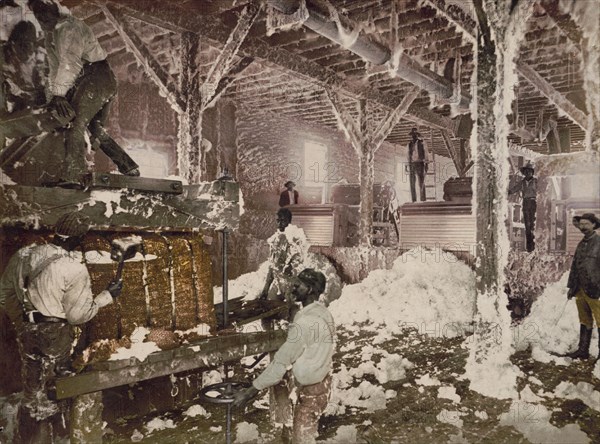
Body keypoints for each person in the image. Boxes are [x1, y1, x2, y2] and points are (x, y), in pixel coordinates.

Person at [0, 212, 123, 443]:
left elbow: (4, 295)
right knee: (59, 390)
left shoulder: (23, 255)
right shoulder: (73, 268)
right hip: (55, 334)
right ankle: (59, 438)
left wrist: (24, 322)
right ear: (76, 240)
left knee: (33, 392)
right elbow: (78, 315)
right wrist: (107, 296)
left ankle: (30, 438)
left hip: (26, 331)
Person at [27, 0, 140, 186]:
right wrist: (52, 97)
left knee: (75, 123)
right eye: (38, 18)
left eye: (45, 16)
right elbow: (55, 68)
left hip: (97, 76)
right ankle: (129, 167)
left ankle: (74, 176)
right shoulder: (50, 35)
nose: (42, 21)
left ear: (54, 12)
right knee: (94, 128)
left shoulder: (69, 28)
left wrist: (59, 94)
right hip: (88, 78)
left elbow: (70, 64)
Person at [233, 268, 335, 444]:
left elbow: (279, 363)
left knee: (302, 440)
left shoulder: (304, 323)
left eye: (298, 286)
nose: (292, 288)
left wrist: (250, 392)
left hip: (312, 391)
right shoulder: (323, 313)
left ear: (310, 290)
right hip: (322, 383)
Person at [564, 213, 600, 360]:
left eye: (586, 224)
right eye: (582, 224)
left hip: (595, 291)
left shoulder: (599, 243)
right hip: (580, 290)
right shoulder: (581, 244)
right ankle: (582, 351)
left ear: (594, 225)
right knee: (585, 320)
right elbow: (574, 267)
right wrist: (571, 287)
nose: (583, 227)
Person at [260, 208, 307, 301]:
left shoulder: (296, 237)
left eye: (283, 221)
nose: (279, 224)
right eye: (278, 221)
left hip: (295, 286)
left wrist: (290, 266)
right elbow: (273, 266)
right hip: (282, 284)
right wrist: (265, 289)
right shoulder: (275, 239)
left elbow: (299, 260)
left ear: (289, 221)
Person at [509, 161, 537, 252]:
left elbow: (542, 190)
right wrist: (508, 192)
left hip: (533, 202)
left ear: (532, 172)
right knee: (527, 225)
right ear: (524, 173)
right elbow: (515, 189)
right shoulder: (522, 182)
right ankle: (529, 247)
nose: (528, 173)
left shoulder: (536, 181)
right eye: (526, 172)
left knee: (533, 224)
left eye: (530, 171)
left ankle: (534, 246)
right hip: (525, 202)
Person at [407, 127, 428, 202]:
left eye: (415, 135)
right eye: (413, 135)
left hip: (420, 163)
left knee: (421, 182)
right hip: (412, 163)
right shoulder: (409, 144)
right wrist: (408, 164)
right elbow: (408, 154)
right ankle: (414, 200)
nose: (414, 136)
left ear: (417, 135)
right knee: (412, 182)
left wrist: (426, 164)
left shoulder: (421, 143)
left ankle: (423, 199)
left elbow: (425, 153)